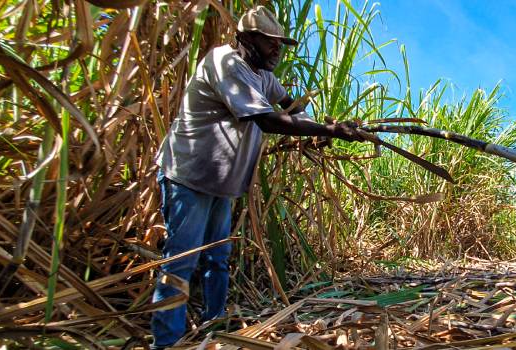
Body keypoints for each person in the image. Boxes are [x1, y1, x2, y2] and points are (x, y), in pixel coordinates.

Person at [151, 6, 363, 348]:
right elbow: (267, 120)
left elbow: (290, 106)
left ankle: (212, 326)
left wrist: (321, 128)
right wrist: (330, 131)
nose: (277, 50)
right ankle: (166, 343)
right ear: (246, 39)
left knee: (217, 260)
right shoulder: (226, 63)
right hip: (189, 177)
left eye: (280, 44)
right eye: (270, 43)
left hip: (222, 185)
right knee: (180, 262)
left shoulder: (264, 76)